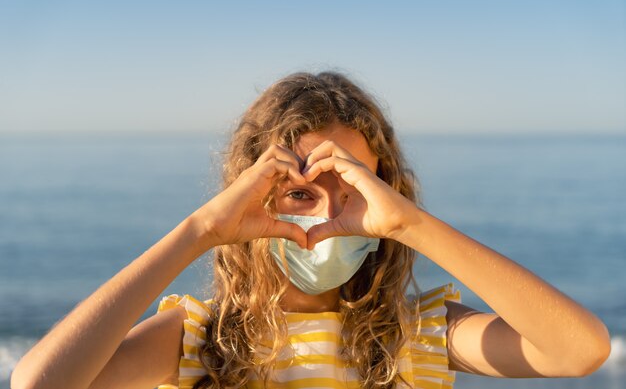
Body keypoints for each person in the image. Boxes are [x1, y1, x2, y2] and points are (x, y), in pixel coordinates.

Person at [11, 71, 611, 389]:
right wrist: (199, 231)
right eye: (300, 193)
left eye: (351, 194)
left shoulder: (419, 336)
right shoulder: (197, 340)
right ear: (248, 198)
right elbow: (41, 383)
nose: (327, 218)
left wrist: (412, 225)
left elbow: (578, 350)